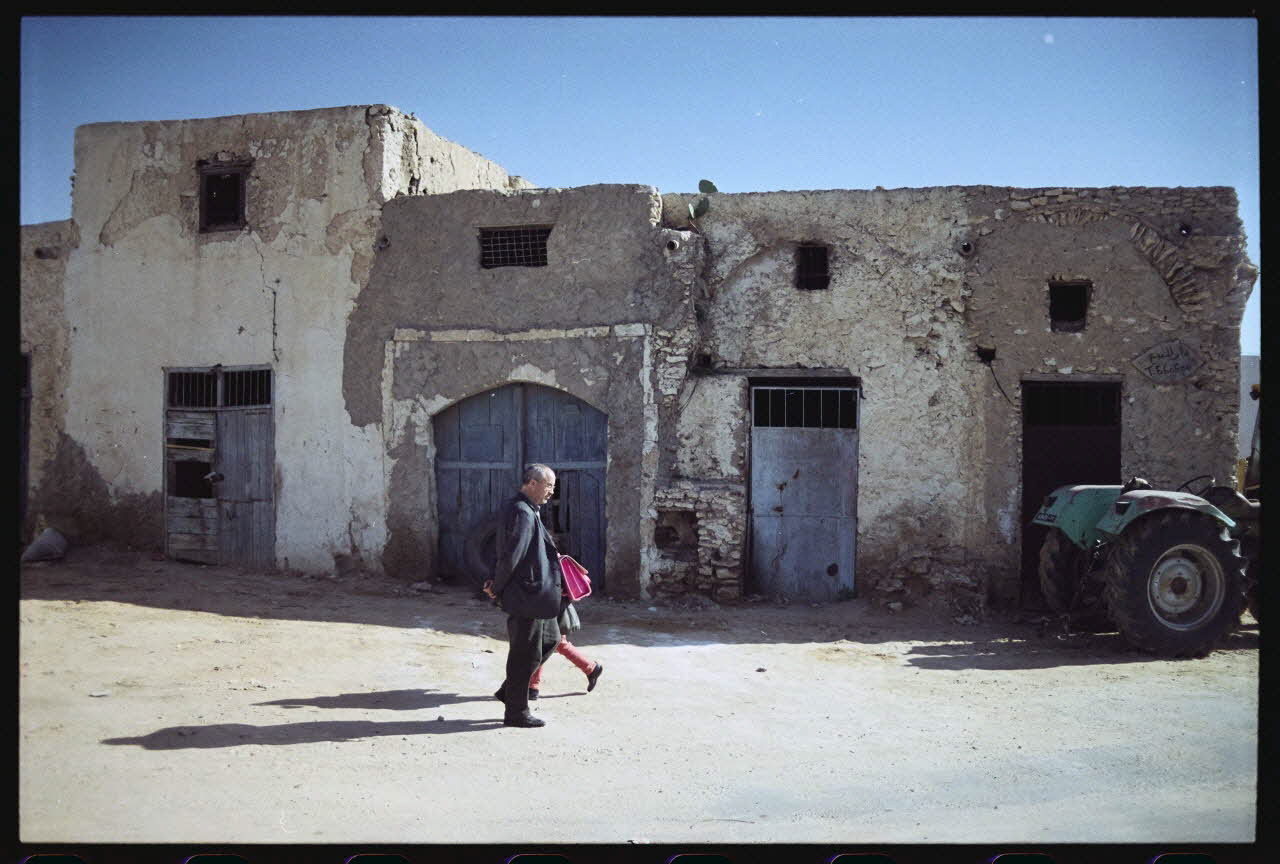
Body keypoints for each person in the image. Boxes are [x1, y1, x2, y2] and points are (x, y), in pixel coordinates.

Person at [484, 464, 564, 728]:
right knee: (524, 654)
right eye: (549, 486)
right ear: (532, 483)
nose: (552, 491)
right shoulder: (521, 511)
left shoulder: (529, 510)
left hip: (538, 594)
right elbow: (511, 555)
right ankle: (516, 712)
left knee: (551, 639)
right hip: (525, 594)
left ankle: (509, 691)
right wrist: (497, 585)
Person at [527, 594, 603, 700]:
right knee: (548, 641)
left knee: (544, 640)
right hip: (549, 598)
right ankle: (590, 668)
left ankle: (532, 687)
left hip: (551, 598)